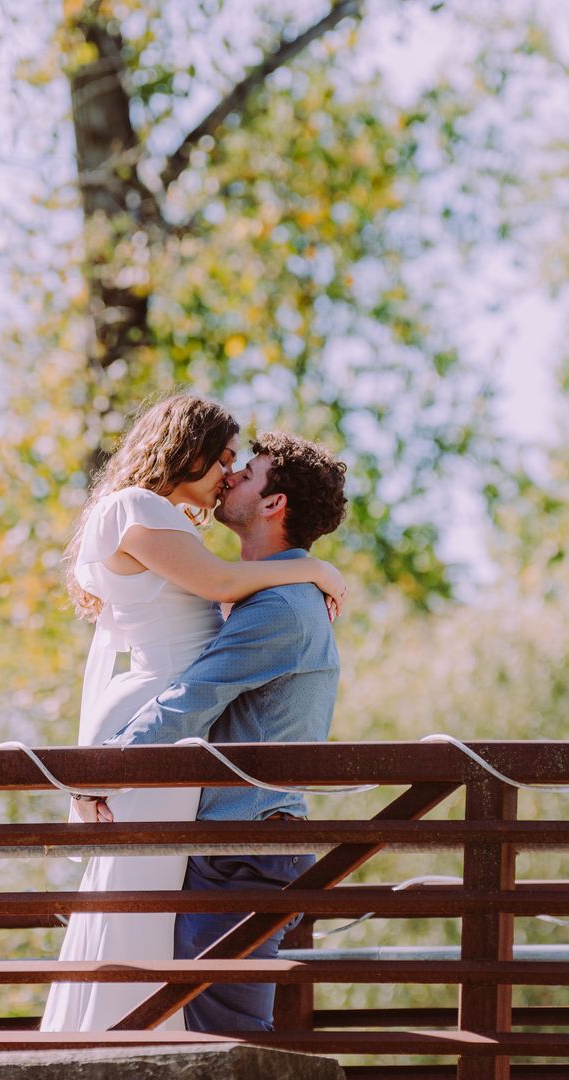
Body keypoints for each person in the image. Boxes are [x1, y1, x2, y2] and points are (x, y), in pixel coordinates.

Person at [38, 396, 347, 1034]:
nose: (230, 476)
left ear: (271, 504)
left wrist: (98, 771)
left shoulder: (282, 605)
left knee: (218, 1031)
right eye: (227, 461)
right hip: (229, 836)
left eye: (245, 469)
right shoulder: (275, 591)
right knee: (188, 1008)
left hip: (245, 847)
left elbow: (192, 698)